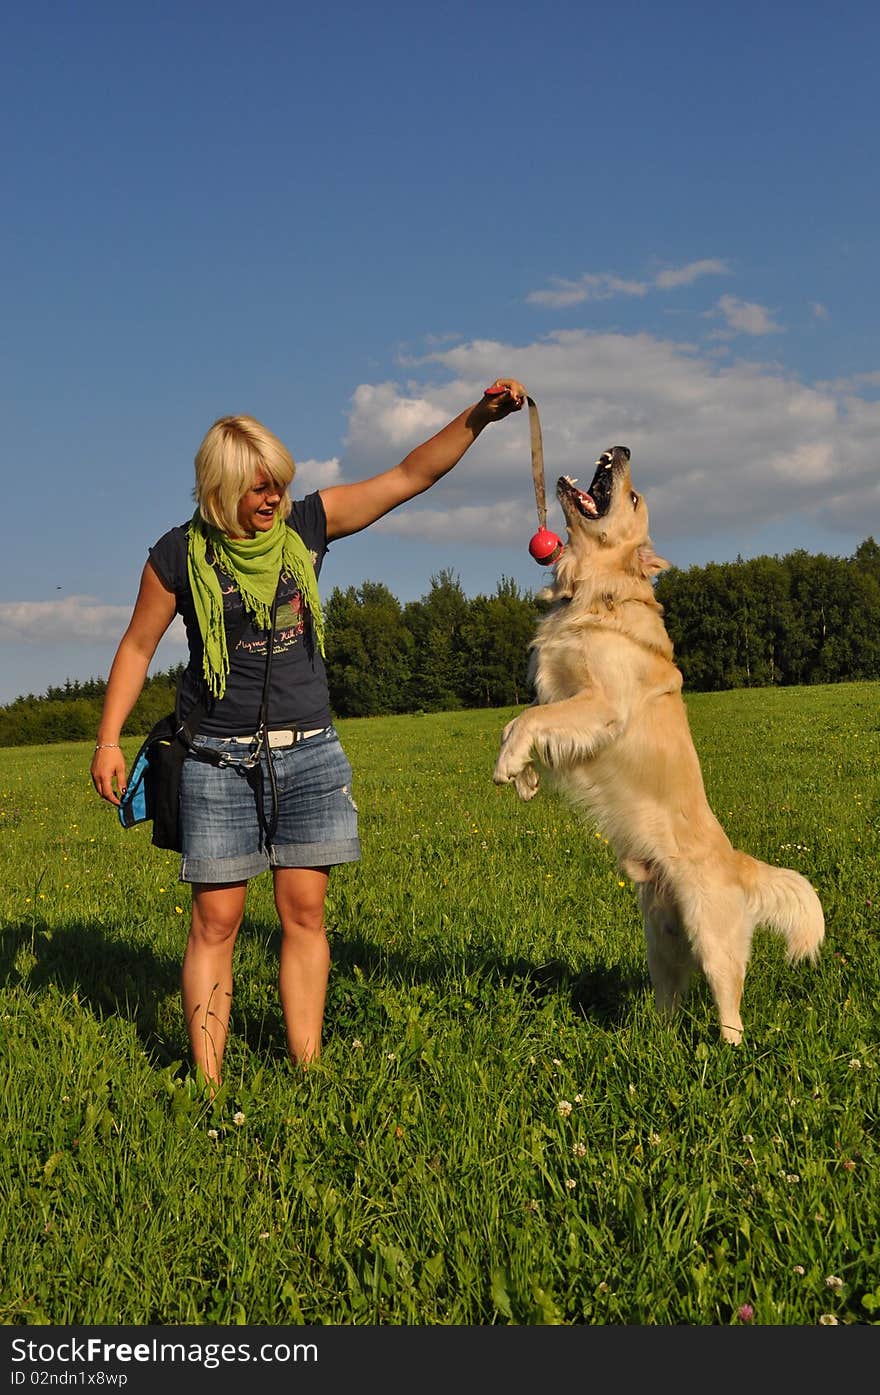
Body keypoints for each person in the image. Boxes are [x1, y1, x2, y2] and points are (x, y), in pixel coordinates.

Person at [90, 377, 527, 1088]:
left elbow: (409, 474)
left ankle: (308, 1069)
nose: (272, 499)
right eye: (257, 488)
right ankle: (208, 1087)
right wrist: (109, 738)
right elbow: (137, 646)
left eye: (278, 485)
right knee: (217, 921)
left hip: (310, 753)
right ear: (219, 489)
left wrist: (479, 416)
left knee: (304, 911)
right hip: (215, 760)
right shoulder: (177, 555)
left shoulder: (306, 527)